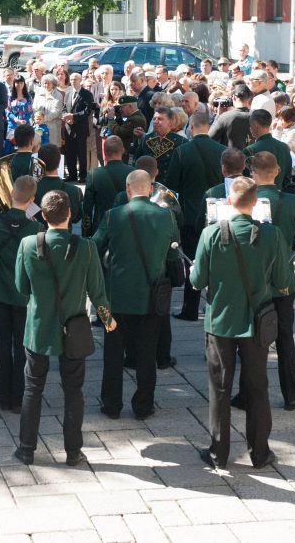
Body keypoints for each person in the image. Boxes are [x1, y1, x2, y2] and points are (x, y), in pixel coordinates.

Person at [190, 177, 294, 470]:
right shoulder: (272, 235)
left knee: (219, 389)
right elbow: (283, 283)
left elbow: (197, 281)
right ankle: (260, 453)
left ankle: (218, 454)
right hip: (256, 323)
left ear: (227, 202)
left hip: (221, 322)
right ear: (256, 202)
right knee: (258, 387)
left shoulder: (210, 234)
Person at [14, 190, 115, 466]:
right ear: (69, 214)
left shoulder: (26, 245)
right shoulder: (86, 247)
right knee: (74, 390)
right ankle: (73, 451)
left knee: (32, 388)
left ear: (43, 216)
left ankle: (26, 449)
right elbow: (97, 290)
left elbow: (21, 287)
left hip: (38, 328)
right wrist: (107, 319)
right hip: (74, 327)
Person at [94, 170, 179, 421]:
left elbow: (94, 247)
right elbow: (173, 256)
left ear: (127, 189)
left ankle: (111, 404)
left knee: (112, 352)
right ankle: (143, 405)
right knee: (147, 353)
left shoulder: (112, 216)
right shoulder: (167, 216)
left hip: (115, 297)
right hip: (151, 296)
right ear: (150, 189)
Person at [230, 152, 295, 411]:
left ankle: (245, 394)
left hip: (255, 280)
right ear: (278, 171)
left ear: (253, 173)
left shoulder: (248, 200)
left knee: (250, 340)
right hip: (283, 279)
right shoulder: (294, 202)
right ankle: (290, 394)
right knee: (285, 338)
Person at [0, 176, 42, 412]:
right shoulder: (36, 227)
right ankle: (18, 396)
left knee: (1, 344)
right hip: (23, 294)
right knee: (21, 345)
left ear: (10, 194)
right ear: (32, 199)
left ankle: (3, 395)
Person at [165, 112, 227, 321]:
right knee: (218, 262)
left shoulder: (182, 152)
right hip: (218, 214)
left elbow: (171, 186)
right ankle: (216, 306)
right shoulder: (223, 151)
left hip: (190, 216)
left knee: (191, 261)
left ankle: (190, 308)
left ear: (190, 127)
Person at [82, 135, 134, 237]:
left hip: (101, 227)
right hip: (127, 227)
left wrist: (86, 233)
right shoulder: (133, 172)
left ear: (104, 152)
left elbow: (87, 208)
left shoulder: (94, 174)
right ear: (123, 150)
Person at [244, 109, 293, 188]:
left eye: (250, 125)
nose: (250, 128)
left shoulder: (250, 150)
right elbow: (287, 178)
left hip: (257, 197)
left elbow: (245, 180)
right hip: (279, 196)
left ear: (255, 125)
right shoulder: (284, 147)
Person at [34, 144, 82, 225]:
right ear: (59, 163)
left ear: (39, 163)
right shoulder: (75, 191)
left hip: (36, 235)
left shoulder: (31, 190)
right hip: (64, 236)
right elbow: (76, 218)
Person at [63, 72, 97, 182]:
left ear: (80, 80)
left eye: (75, 79)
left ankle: (83, 176)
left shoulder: (87, 94)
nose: (73, 81)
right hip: (69, 128)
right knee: (70, 153)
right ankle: (72, 175)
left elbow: (88, 111)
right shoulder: (68, 93)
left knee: (81, 154)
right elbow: (64, 108)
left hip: (81, 129)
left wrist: (74, 117)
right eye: (71, 79)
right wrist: (66, 116)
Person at [209, 84, 254, 149]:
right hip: (251, 157)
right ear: (249, 98)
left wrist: (218, 116)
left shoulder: (226, 117)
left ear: (234, 97)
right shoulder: (257, 115)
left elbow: (209, 139)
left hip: (230, 157)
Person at [31, 74, 64, 151]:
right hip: (38, 126)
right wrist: (37, 118)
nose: (46, 85)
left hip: (52, 127)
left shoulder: (58, 95)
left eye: (49, 83)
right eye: (45, 83)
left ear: (53, 84)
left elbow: (56, 111)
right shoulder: (39, 92)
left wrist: (43, 119)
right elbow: (34, 107)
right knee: (37, 148)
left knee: (51, 150)